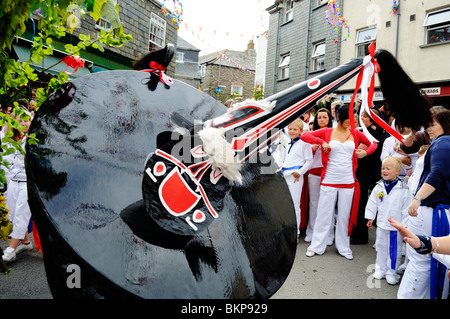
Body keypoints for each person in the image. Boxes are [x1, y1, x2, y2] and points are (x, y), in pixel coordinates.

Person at [300, 105, 378, 259]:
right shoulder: (327, 131)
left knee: (344, 216)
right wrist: (321, 142)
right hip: (329, 179)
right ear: (340, 118)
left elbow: (374, 143)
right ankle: (317, 246)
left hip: (348, 181)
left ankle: (343, 247)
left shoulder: (355, 133)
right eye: (348, 120)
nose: (351, 123)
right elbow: (304, 137)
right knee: (323, 214)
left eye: (353, 120)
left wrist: (365, 152)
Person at [396, 110, 450, 299]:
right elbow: (404, 147)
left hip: (430, 208)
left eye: (432, 124)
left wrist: (418, 199)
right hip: (432, 208)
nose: (428, 128)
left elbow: (437, 174)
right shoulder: (440, 142)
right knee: (423, 260)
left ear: (445, 123)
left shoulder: (443, 142)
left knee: (421, 260)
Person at [365, 157, 413, 285]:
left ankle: (392, 272)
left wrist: (404, 226)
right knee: (381, 247)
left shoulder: (403, 189)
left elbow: (406, 208)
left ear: (398, 171)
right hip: (381, 224)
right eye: (382, 168)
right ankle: (380, 269)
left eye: (388, 169)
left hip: (395, 227)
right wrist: (371, 217)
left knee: (393, 250)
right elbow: (373, 202)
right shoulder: (379, 186)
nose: (384, 171)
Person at [1, 108, 34, 262]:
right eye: (20, 121)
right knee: (14, 214)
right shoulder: (8, 138)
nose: (23, 124)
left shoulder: (34, 138)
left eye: (26, 120)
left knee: (22, 214)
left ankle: (11, 248)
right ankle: (26, 243)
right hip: (12, 181)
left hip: (27, 183)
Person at [351, 109, 384, 244]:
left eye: (365, 116)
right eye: (362, 116)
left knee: (360, 205)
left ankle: (360, 235)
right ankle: (359, 233)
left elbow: (358, 151)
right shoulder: (371, 131)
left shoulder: (370, 133)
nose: (362, 118)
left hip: (363, 174)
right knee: (361, 204)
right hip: (365, 173)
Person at [301, 108, 334, 243]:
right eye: (319, 117)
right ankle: (311, 231)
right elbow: (304, 153)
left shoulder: (335, 134)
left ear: (329, 119)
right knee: (314, 203)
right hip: (314, 171)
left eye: (324, 117)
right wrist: (313, 148)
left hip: (330, 172)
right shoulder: (310, 134)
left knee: (328, 205)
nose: (322, 120)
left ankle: (329, 234)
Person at [280, 119, 313, 239]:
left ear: (300, 130)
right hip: (284, 176)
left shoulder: (305, 144)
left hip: (295, 177)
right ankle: (285, 229)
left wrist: (299, 172)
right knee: (284, 204)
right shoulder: (286, 143)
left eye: (295, 129)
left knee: (294, 205)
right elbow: (283, 159)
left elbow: (309, 161)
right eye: (290, 129)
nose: (292, 131)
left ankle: (296, 232)